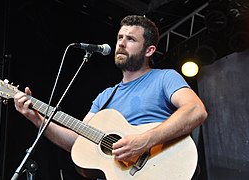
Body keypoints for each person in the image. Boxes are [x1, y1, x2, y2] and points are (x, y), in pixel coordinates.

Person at [14, 15, 208, 177]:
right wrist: (38, 119)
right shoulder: (106, 96)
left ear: (149, 50)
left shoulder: (165, 77)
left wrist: (144, 141)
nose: (121, 43)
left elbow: (196, 110)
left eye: (130, 39)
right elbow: (77, 141)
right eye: (119, 37)